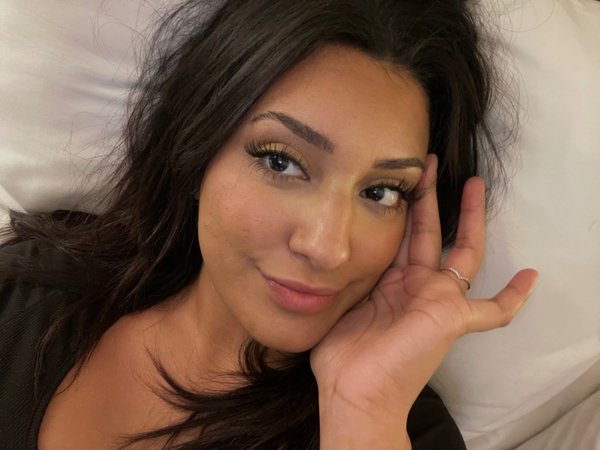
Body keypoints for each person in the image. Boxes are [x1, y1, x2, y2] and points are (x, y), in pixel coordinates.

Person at [0, 0, 538, 448]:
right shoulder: (25, 295)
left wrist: (363, 416)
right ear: (197, 151)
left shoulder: (403, 429)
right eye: (281, 161)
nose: (326, 247)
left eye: (381, 192)